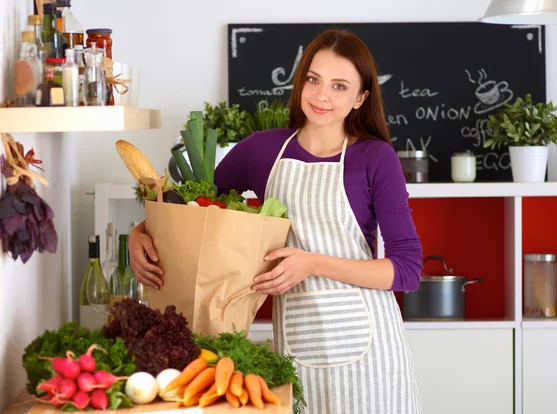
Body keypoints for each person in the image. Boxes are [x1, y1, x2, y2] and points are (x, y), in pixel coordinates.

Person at [129, 28, 423, 414]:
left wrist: (312, 263)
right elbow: (190, 210)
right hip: (299, 344)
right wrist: (140, 233)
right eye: (314, 80)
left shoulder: (374, 157)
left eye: (339, 86)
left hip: (371, 350)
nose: (321, 95)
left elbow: (406, 269)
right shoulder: (262, 150)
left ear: (360, 98)